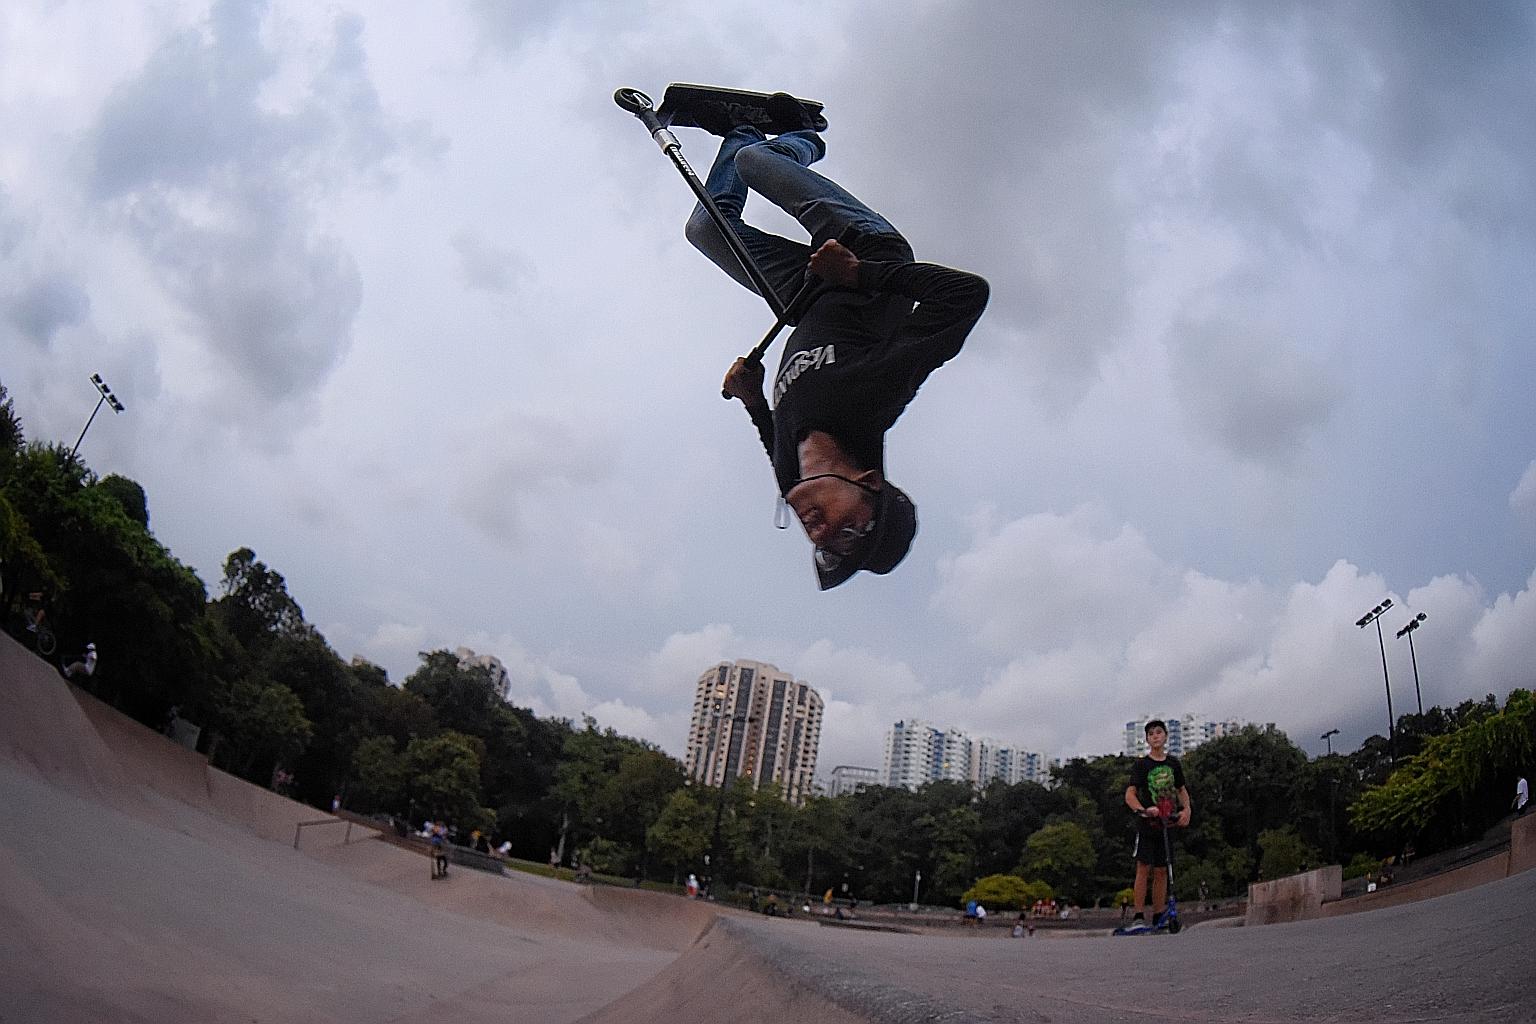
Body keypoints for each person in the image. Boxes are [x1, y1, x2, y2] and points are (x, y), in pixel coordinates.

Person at [690, 98, 990, 590]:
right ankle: (805, 136)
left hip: (801, 294)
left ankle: (741, 128)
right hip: (862, 249)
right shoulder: (871, 399)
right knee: (759, 166)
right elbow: (965, 295)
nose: (823, 534)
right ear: (870, 483)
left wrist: (751, 396)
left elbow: (771, 432)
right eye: (850, 533)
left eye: (825, 548)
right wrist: (860, 272)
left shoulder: (793, 479)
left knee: (705, 229)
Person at [1122, 719, 1192, 934]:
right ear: (1147, 739)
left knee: (1163, 869)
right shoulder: (1142, 765)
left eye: (1159, 732)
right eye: (1151, 734)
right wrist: (1142, 810)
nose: (1155, 736)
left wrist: (1186, 810)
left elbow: (1181, 789)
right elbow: (1130, 793)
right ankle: (1139, 915)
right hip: (1148, 822)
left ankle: (1160, 913)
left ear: (1165, 736)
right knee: (1144, 868)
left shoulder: (1173, 763)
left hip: (1167, 821)